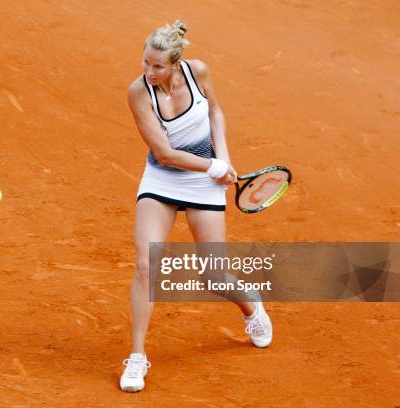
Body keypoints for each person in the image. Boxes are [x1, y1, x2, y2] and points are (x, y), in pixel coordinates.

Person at [120, 20, 273, 393]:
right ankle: (137, 357)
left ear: (176, 63)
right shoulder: (139, 93)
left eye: (157, 66)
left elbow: (215, 113)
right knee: (145, 265)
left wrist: (224, 158)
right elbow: (164, 153)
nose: (149, 72)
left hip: (204, 183)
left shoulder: (198, 71)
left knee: (213, 276)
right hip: (164, 179)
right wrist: (213, 166)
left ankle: (251, 307)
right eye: (145, 63)